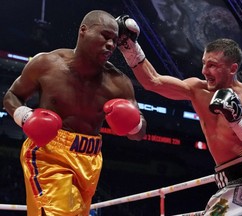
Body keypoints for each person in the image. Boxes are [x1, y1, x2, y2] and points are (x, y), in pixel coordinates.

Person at [115, 15, 242, 215]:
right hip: (226, 186)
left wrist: (238, 120)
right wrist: (129, 47)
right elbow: (153, 82)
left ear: (233, 68)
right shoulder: (197, 90)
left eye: (212, 65)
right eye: (204, 63)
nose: (204, 71)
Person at [3, 10, 147, 216]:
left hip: (91, 159)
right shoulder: (46, 64)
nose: (110, 45)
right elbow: (12, 96)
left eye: (114, 41)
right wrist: (25, 116)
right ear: (83, 31)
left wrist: (133, 123)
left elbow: (139, 132)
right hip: (49, 154)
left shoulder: (118, 83)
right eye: (105, 36)